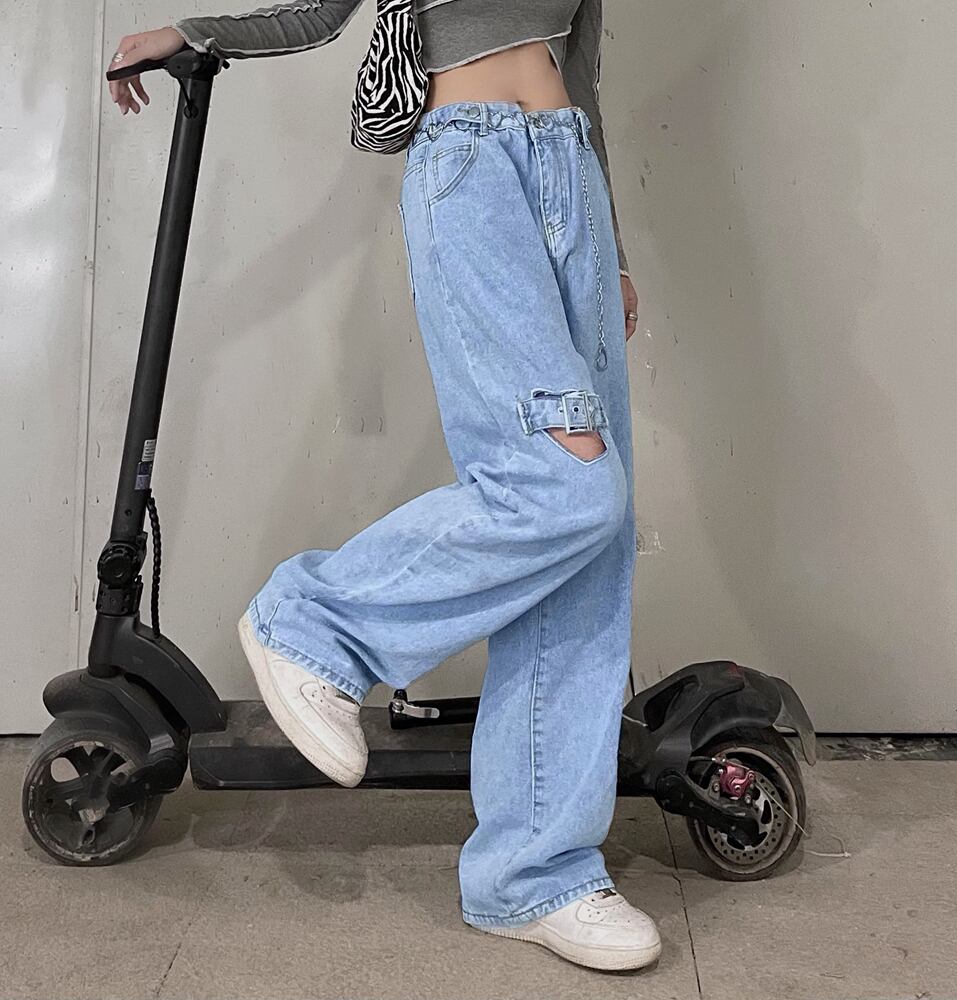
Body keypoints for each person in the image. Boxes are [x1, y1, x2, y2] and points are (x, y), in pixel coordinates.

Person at [107, 0, 657, 972]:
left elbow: (582, 68)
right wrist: (198, 34)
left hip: (567, 171)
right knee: (562, 484)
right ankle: (314, 623)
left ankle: (535, 875)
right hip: (472, 168)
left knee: (589, 544)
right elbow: (320, 13)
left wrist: (606, 240)